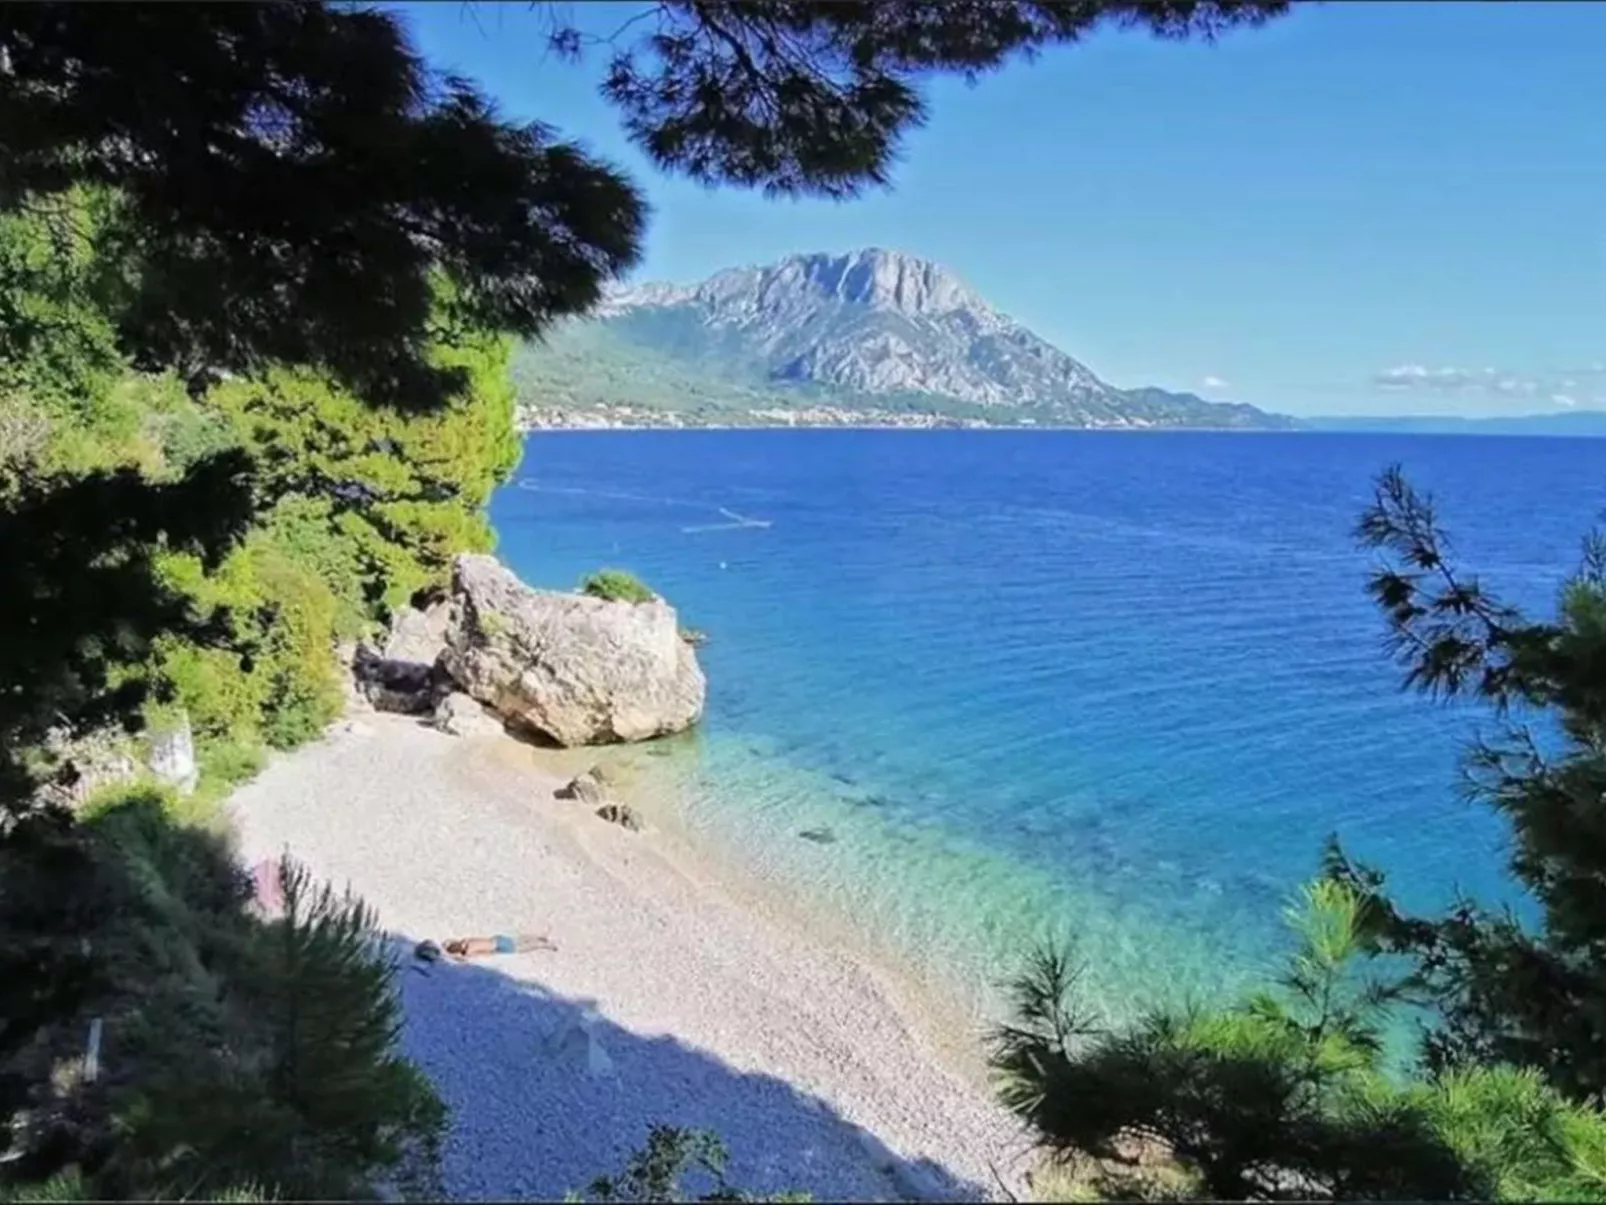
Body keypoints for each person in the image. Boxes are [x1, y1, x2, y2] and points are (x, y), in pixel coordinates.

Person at [413, 933, 556, 962]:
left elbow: (462, 957)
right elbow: (449, 943)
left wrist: (448, 954)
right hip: (496, 940)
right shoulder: (465, 942)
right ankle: (540, 939)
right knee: (518, 940)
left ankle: (542, 943)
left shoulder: (466, 949)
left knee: (520, 946)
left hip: (497, 945)